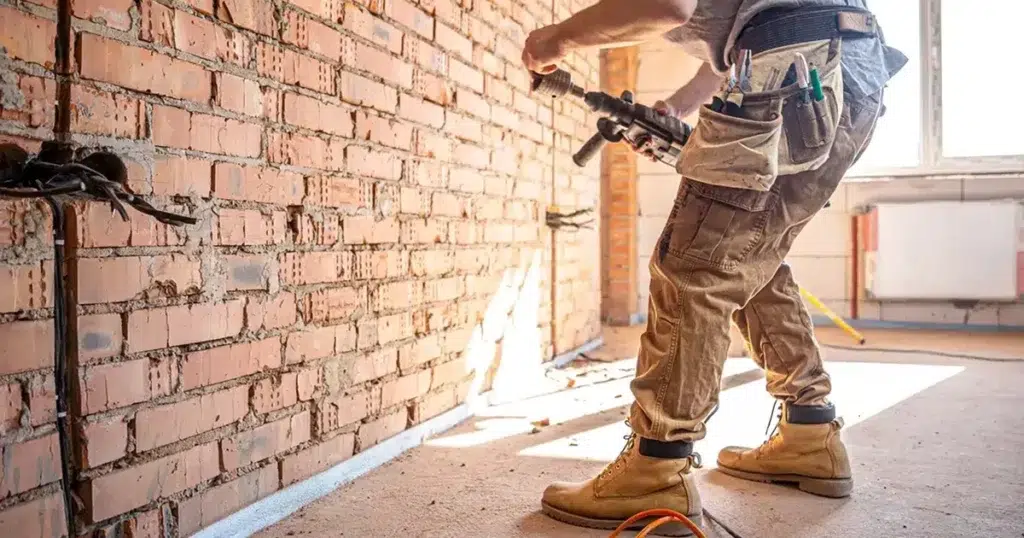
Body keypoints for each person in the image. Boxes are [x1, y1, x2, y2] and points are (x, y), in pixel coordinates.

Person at [522, 0, 906, 535]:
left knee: (694, 268)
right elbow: (727, 49)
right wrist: (677, 108)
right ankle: (809, 432)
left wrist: (559, 38)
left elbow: (668, 6)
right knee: (750, 254)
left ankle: (657, 464)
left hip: (794, 70)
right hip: (844, 74)